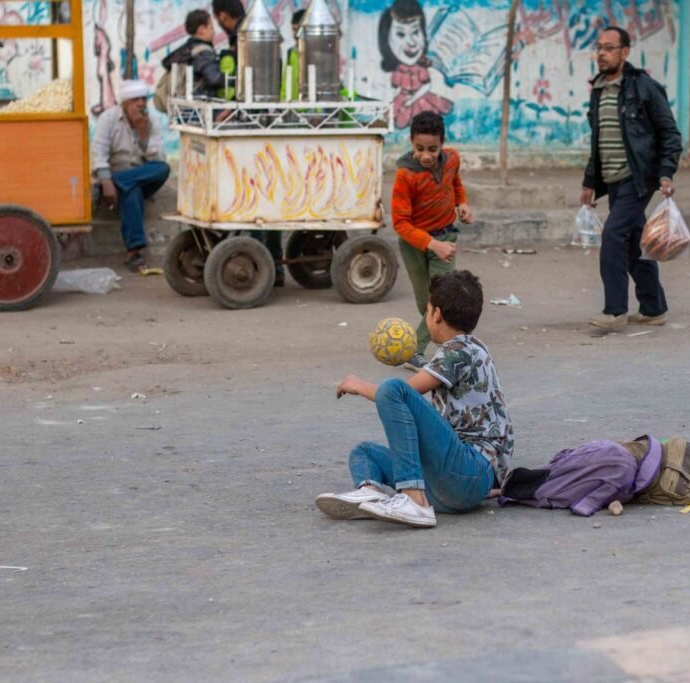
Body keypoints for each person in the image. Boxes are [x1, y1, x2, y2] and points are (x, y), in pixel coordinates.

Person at [316, 270, 513, 529]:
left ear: (437, 314)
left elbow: (400, 395)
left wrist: (359, 385)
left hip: (468, 472)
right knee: (364, 453)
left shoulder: (458, 351)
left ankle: (413, 499)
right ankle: (370, 491)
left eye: (427, 310)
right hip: (453, 484)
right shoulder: (474, 348)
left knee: (393, 388)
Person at [580, 26, 682, 331]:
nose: (602, 53)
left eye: (609, 48)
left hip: (639, 178)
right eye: (599, 47)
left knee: (613, 236)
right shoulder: (598, 90)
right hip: (612, 178)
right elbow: (598, 141)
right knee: (634, 242)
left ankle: (615, 310)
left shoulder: (644, 87)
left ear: (625, 52)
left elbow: (669, 133)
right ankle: (653, 307)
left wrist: (666, 172)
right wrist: (589, 182)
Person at [211, 0, 285, 284]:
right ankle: (274, 266)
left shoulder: (244, 38)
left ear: (223, 16)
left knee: (255, 200)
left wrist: (230, 109)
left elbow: (243, 89)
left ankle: (262, 266)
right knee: (269, 199)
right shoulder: (260, 33)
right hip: (265, 125)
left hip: (251, 130)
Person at [392, 111, 472, 368]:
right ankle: (446, 338)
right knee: (424, 304)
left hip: (446, 239)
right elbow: (400, 223)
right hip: (415, 245)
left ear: (442, 143)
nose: (426, 155)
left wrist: (462, 203)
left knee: (441, 299)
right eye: (419, 149)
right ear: (411, 143)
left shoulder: (452, 159)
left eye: (432, 149)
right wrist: (430, 244)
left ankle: (415, 350)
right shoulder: (405, 176)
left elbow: (455, 182)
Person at [91, 79, 170, 273]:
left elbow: (157, 157)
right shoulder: (108, 118)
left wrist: (143, 133)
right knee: (131, 192)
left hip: (139, 176)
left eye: (143, 99)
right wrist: (106, 180)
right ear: (125, 103)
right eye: (136, 100)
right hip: (113, 176)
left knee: (163, 168)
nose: (141, 104)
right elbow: (98, 152)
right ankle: (134, 252)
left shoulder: (151, 121)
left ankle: (121, 182)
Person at [378, 0, 453, 130]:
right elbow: (394, 88)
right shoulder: (399, 71)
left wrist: (412, 99)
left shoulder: (420, 69)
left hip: (420, 99)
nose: (412, 42)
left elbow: (426, 85)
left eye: (416, 32)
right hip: (403, 99)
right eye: (400, 34)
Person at [160, 9, 224, 99]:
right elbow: (214, 79)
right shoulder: (203, 52)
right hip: (199, 105)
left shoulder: (187, 49)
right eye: (211, 28)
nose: (214, 32)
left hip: (183, 104)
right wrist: (232, 79)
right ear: (201, 30)